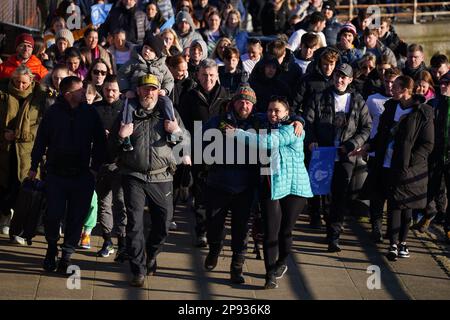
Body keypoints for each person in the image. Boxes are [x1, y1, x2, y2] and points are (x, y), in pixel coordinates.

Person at [108, 74, 190, 287]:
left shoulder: (168, 112)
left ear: (158, 91)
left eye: (153, 89)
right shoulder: (127, 113)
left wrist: (177, 131)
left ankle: (151, 254)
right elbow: (110, 146)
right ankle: (138, 269)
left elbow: (186, 142)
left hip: (162, 175)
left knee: (163, 223)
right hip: (133, 175)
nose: (149, 93)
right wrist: (120, 135)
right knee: (134, 224)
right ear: (138, 90)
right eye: (145, 89)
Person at [228, 96, 312, 289]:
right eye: (270, 110)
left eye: (277, 111)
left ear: (286, 114)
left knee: (285, 231)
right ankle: (270, 274)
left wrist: (238, 134)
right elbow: (248, 113)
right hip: (271, 185)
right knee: (270, 233)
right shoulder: (264, 122)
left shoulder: (292, 129)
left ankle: (282, 261)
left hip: (294, 188)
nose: (272, 114)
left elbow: (267, 142)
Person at [29, 76, 106, 273]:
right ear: (68, 94)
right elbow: (41, 141)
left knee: (76, 218)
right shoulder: (53, 113)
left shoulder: (90, 113)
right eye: (80, 90)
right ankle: (52, 247)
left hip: (82, 175)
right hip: (56, 174)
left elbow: (100, 142)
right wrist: (34, 165)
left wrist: (95, 168)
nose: (85, 92)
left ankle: (67, 255)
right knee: (53, 215)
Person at [356, 76, 434, 260]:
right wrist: (369, 146)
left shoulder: (423, 112)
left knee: (406, 206)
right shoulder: (391, 107)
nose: (391, 88)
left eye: (396, 86)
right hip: (385, 164)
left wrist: (408, 161)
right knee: (392, 204)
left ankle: (403, 242)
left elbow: (427, 144)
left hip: (409, 168)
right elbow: (382, 133)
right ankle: (392, 243)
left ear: (406, 89)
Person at [305, 63, 372, 252]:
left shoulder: (357, 100)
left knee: (340, 195)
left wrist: (352, 144)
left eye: (344, 77)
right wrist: (311, 140)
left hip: (345, 154)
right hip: (324, 154)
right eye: (337, 76)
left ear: (350, 80)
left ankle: (334, 234)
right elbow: (309, 122)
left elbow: (366, 127)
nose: (339, 80)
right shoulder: (319, 97)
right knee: (324, 195)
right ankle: (328, 224)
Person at [179, 59, 229, 247]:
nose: (208, 79)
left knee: (219, 195)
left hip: (222, 153)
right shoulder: (189, 97)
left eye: (211, 75)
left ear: (217, 76)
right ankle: (201, 232)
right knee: (200, 195)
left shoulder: (226, 96)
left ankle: (215, 229)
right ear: (198, 76)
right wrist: (185, 152)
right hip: (198, 152)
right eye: (204, 75)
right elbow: (182, 127)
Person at [0, 66, 46, 244]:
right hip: (5, 149)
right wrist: (4, 133)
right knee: (6, 184)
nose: (20, 85)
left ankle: (19, 228)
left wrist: (21, 134)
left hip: (27, 151)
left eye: (24, 82)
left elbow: (41, 124)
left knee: (24, 188)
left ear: (31, 81)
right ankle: (6, 215)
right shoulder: (4, 93)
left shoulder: (39, 96)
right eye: (16, 81)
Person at [92, 75, 128, 260]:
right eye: (107, 90)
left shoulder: (125, 109)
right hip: (100, 164)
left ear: (119, 91)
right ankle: (107, 240)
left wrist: (116, 137)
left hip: (120, 164)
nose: (110, 93)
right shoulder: (94, 110)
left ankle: (122, 243)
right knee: (103, 204)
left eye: (114, 89)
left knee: (121, 204)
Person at [365, 67, 401, 242]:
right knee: (376, 194)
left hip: (395, 156)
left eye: (393, 82)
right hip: (376, 153)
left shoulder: (404, 105)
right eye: (387, 81)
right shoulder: (373, 100)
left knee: (393, 195)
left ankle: (391, 230)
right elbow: (366, 124)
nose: (389, 85)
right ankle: (376, 228)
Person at [420, 72, 450, 243]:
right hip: (435, 154)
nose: (443, 86)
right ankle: (428, 214)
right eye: (442, 83)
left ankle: (448, 227)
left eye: (447, 83)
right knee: (431, 186)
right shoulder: (433, 103)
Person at [117, 33, 174, 98]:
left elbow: (169, 80)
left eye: (151, 50)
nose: (147, 51)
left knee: (167, 104)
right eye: (146, 47)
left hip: (156, 96)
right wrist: (126, 90)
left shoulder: (161, 66)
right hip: (136, 95)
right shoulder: (133, 62)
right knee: (130, 107)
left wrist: (165, 90)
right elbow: (121, 74)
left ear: (156, 55)